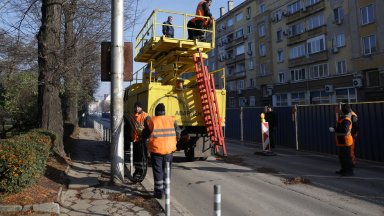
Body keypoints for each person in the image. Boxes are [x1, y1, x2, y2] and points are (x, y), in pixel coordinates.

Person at [141, 103, 180, 199]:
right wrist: (175, 140)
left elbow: (144, 135)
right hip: (169, 151)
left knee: (158, 171)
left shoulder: (151, 121)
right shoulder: (171, 120)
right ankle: (166, 191)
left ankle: (159, 193)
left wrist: (143, 139)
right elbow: (178, 132)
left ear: (156, 112)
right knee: (167, 171)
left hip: (156, 151)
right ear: (164, 111)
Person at [125, 101, 150, 180]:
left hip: (142, 141)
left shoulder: (146, 116)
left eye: (138, 107)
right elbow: (129, 128)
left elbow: (149, 129)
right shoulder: (132, 116)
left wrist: (144, 136)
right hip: (135, 140)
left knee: (142, 158)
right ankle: (137, 171)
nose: (137, 108)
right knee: (136, 158)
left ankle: (142, 172)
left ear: (141, 107)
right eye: (136, 107)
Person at [330, 104, 354, 176]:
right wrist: (334, 127)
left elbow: (344, 130)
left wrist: (334, 129)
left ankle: (349, 171)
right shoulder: (343, 118)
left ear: (343, 111)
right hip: (341, 141)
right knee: (342, 157)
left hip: (346, 141)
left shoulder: (346, 120)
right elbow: (339, 126)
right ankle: (344, 170)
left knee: (346, 157)